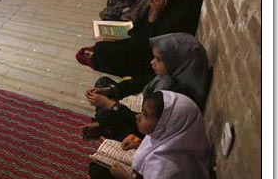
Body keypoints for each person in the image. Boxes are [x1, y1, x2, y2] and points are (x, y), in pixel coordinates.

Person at [104, 91, 217, 179]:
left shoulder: (165, 165)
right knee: (129, 140)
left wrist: (125, 178)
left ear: (166, 125)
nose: (138, 117)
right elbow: (160, 146)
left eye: (145, 115)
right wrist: (138, 145)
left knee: (101, 173)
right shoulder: (179, 136)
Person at [82, 33, 210, 139]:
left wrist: (110, 104)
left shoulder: (172, 95)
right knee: (103, 83)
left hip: (146, 130)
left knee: (108, 115)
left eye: (158, 59)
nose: (152, 62)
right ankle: (103, 124)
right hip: (144, 112)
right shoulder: (169, 74)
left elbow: (145, 126)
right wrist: (110, 90)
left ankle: (104, 127)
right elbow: (138, 83)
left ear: (175, 61)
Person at [77, 0, 201, 78]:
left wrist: (153, 16)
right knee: (109, 42)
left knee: (107, 51)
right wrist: (150, 12)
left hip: (148, 58)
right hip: (142, 40)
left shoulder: (178, 21)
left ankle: (97, 56)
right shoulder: (169, 8)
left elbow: (145, 44)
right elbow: (138, 29)